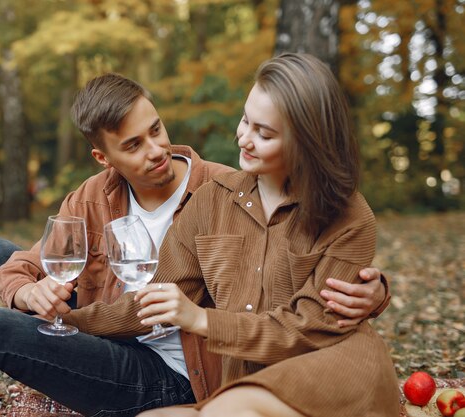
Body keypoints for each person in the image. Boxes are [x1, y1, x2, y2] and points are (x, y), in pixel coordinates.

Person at [0, 72, 389, 417]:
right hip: (116, 328)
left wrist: (375, 291)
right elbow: (28, 267)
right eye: (133, 144)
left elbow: (300, 283)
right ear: (105, 158)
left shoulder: (221, 186)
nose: (155, 150)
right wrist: (28, 298)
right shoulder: (94, 196)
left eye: (156, 129)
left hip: (174, 370)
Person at [59, 55, 400, 417]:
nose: (244, 138)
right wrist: (63, 322)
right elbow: (149, 303)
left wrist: (201, 320)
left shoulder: (349, 215)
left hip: (329, 367)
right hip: (241, 383)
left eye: (263, 133)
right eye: (244, 120)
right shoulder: (210, 200)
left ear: (306, 142)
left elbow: (308, 329)